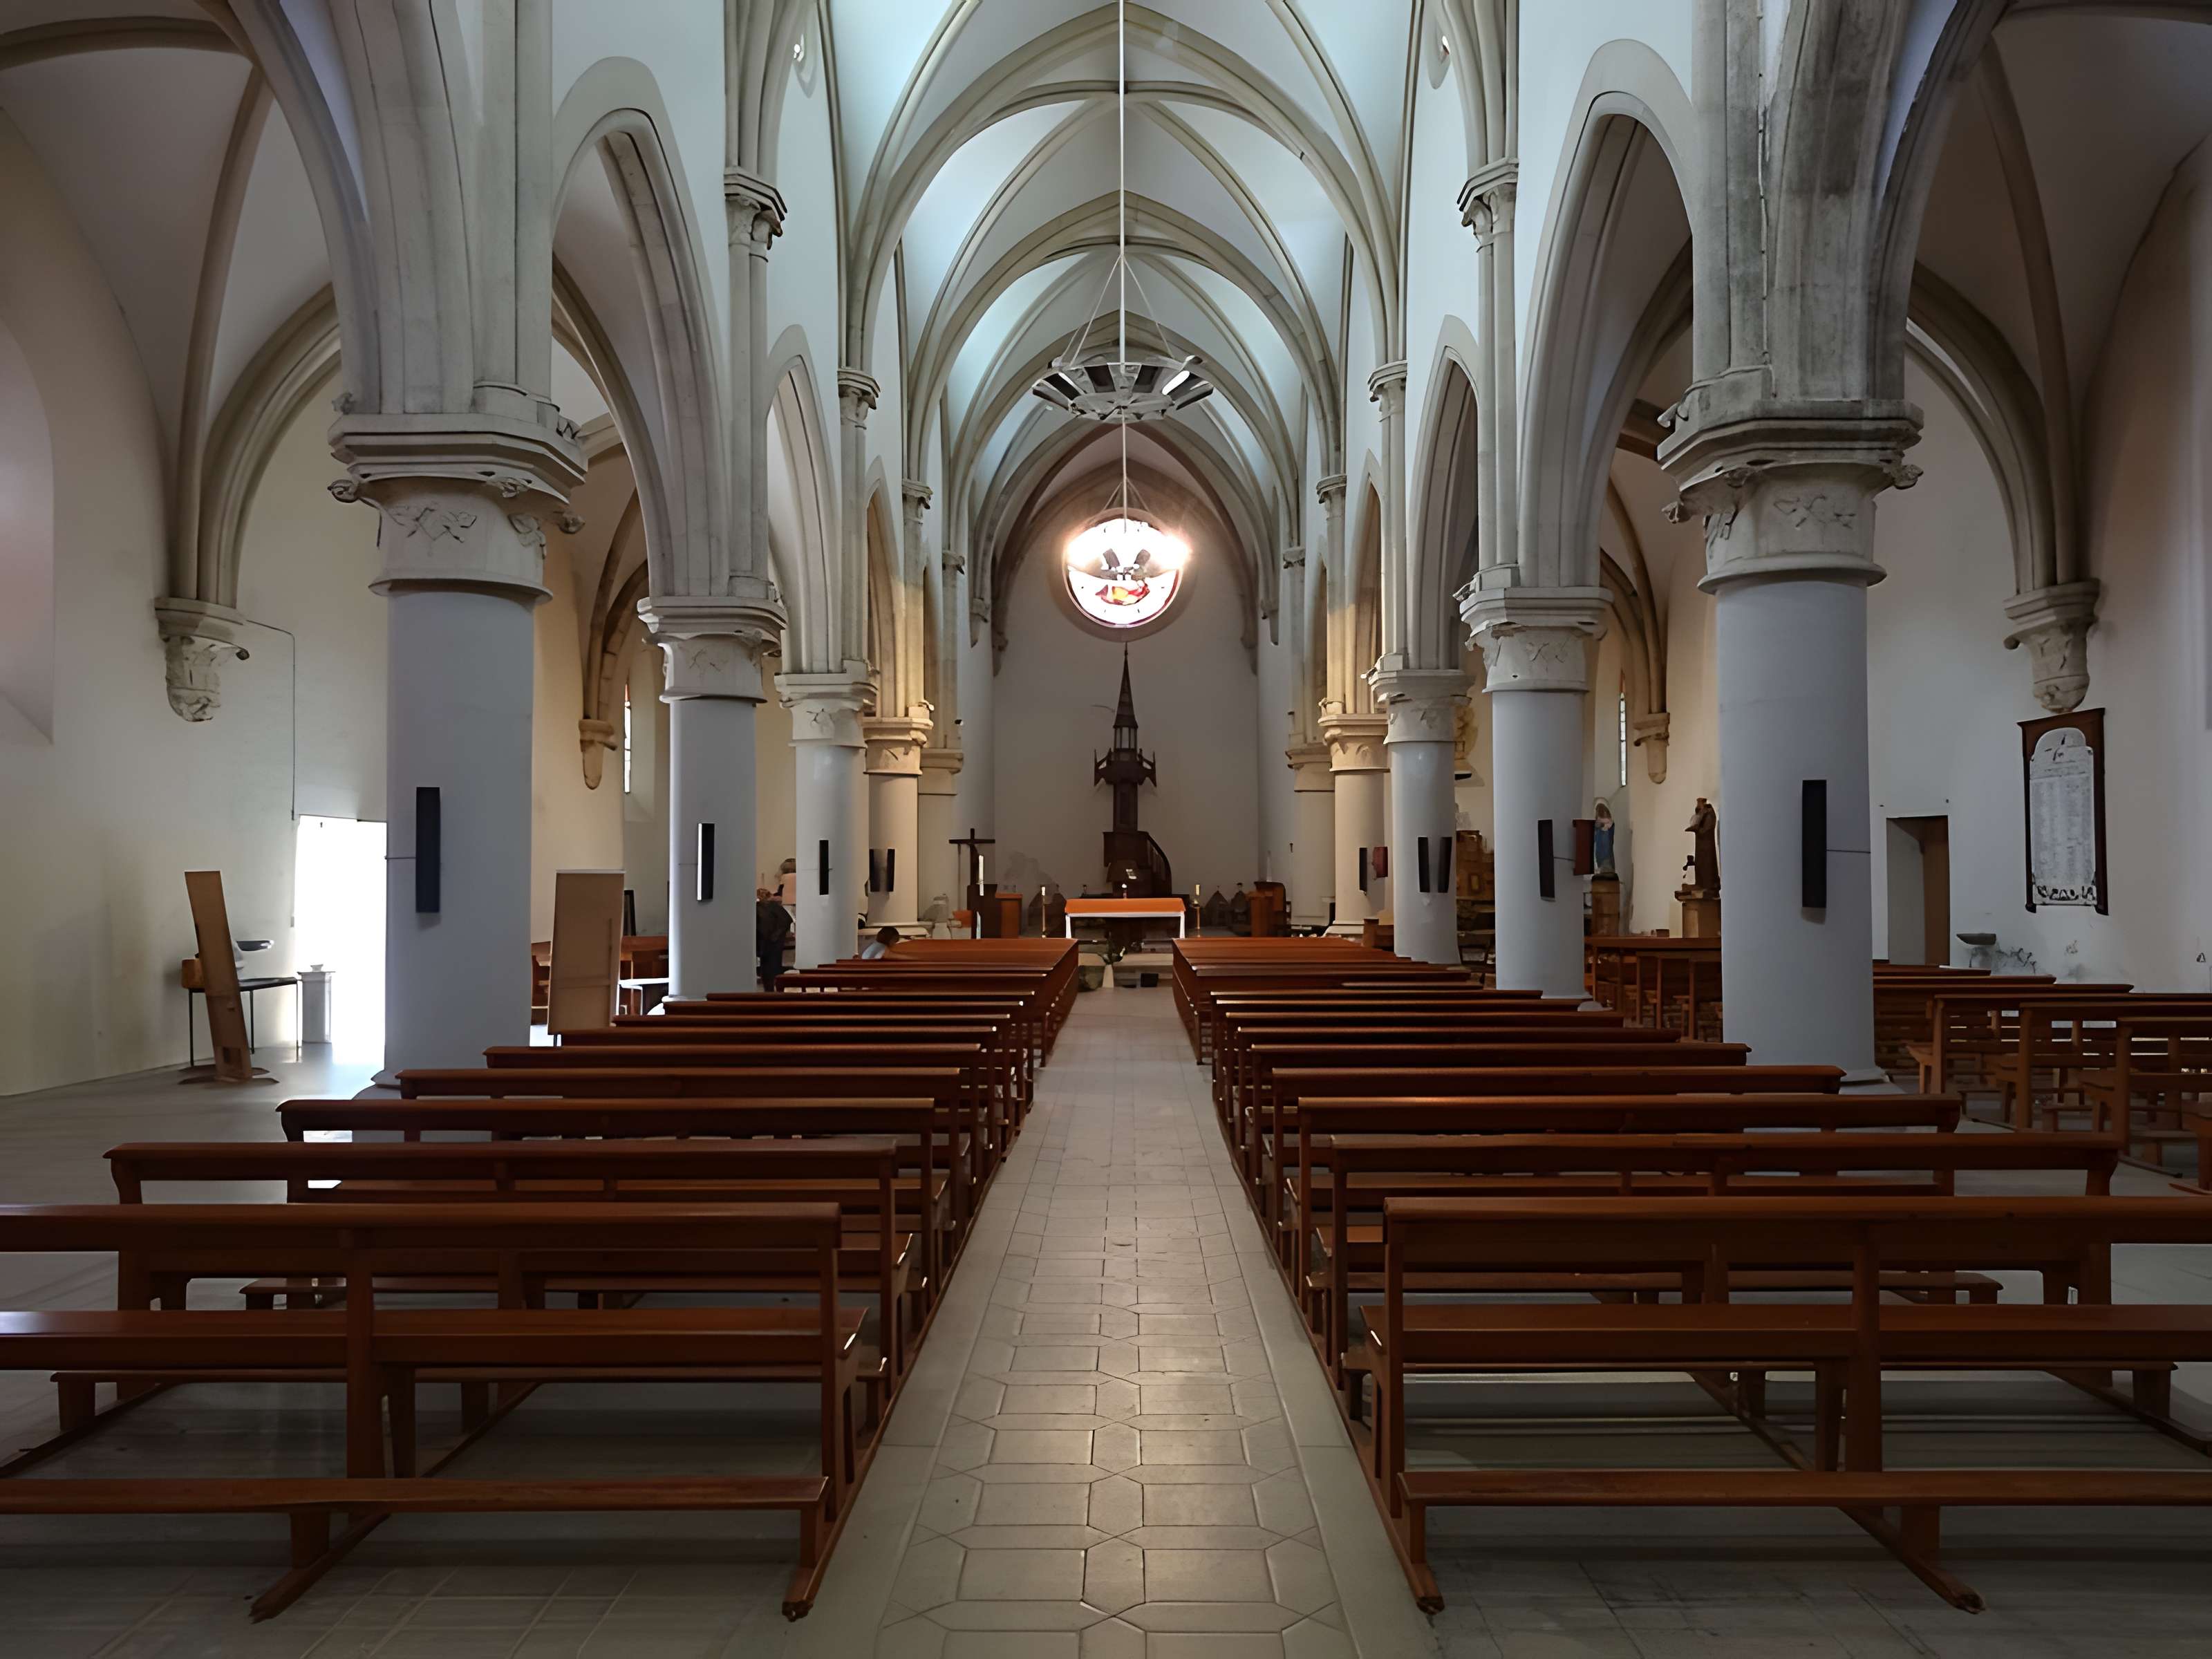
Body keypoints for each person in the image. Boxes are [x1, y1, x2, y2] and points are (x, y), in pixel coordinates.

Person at [755, 888, 791, 988]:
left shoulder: (767, 907)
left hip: (769, 941)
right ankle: (771, 986)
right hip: (770, 940)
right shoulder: (771, 907)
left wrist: (775, 935)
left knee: (770, 965)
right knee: (770, 965)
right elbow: (786, 920)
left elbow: (786, 920)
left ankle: (771, 986)